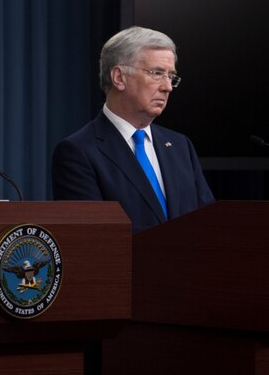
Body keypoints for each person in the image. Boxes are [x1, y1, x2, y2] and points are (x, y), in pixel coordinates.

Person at [52, 26, 214, 233]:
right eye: (157, 73)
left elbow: (208, 223)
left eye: (171, 76)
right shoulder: (78, 152)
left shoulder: (180, 145)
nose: (168, 87)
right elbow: (91, 239)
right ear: (119, 77)